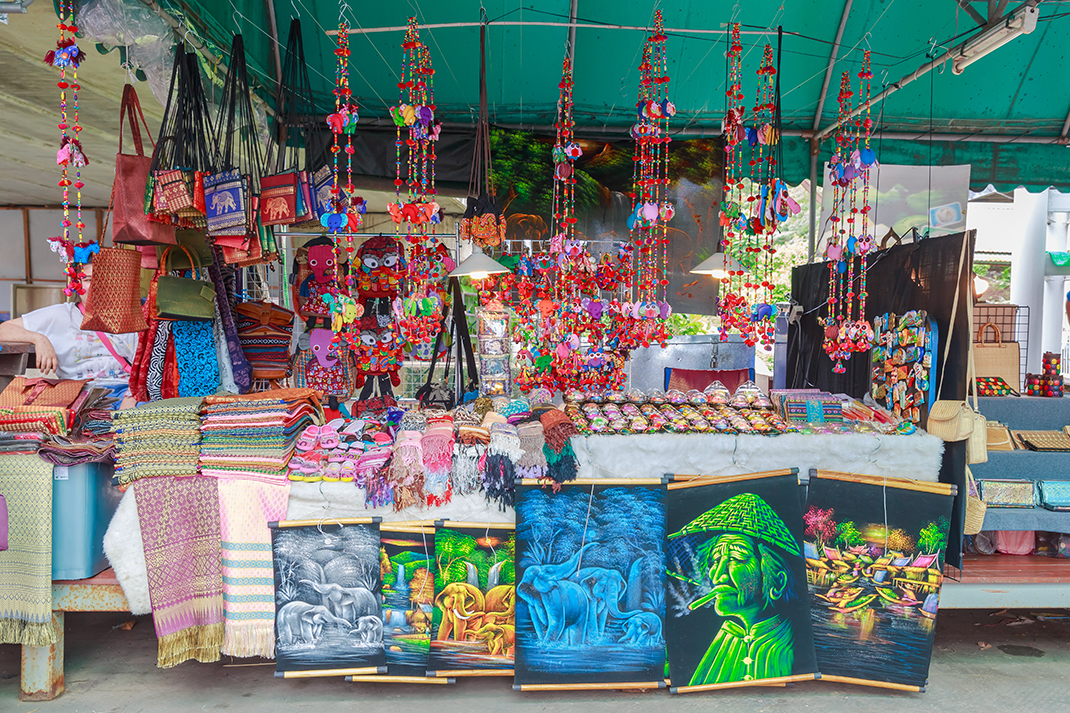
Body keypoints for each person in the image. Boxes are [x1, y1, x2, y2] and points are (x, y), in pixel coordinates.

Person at [671, 492, 801, 685]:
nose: (718, 575)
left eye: (737, 558)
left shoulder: (795, 646)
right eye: (715, 560)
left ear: (778, 582)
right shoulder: (723, 641)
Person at [0, 261, 138, 394]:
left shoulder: (131, 318)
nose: (96, 286)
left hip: (127, 391)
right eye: (88, 280)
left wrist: (130, 397)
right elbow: (4, 329)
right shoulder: (61, 315)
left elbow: (144, 369)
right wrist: (39, 339)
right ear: (77, 284)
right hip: (80, 395)